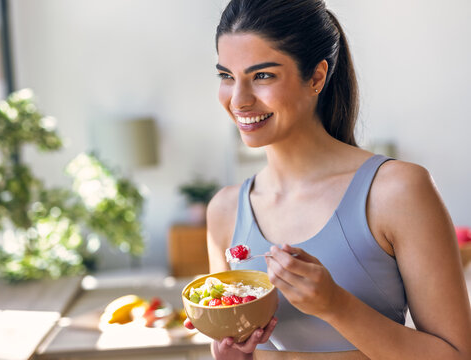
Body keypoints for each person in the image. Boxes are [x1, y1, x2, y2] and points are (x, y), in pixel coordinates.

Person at [184, 0, 471, 359]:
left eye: (262, 76)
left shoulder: (396, 191)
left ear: (317, 77)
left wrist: (335, 305)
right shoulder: (225, 209)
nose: (238, 100)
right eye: (227, 76)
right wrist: (231, 354)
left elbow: (457, 355)